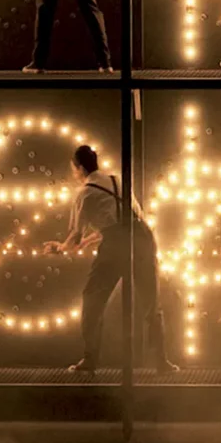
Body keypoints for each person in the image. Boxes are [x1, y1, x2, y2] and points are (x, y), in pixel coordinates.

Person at [43, 145, 177, 374]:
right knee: (151, 302)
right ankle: (162, 362)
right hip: (142, 237)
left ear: (80, 168)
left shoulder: (85, 193)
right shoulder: (117, 181)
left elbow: (75, 237)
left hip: (116, 244)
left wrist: (60, 248)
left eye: (73, 168)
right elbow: (125, 220)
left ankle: (90, 359)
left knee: (93, 299)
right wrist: (88, 242)